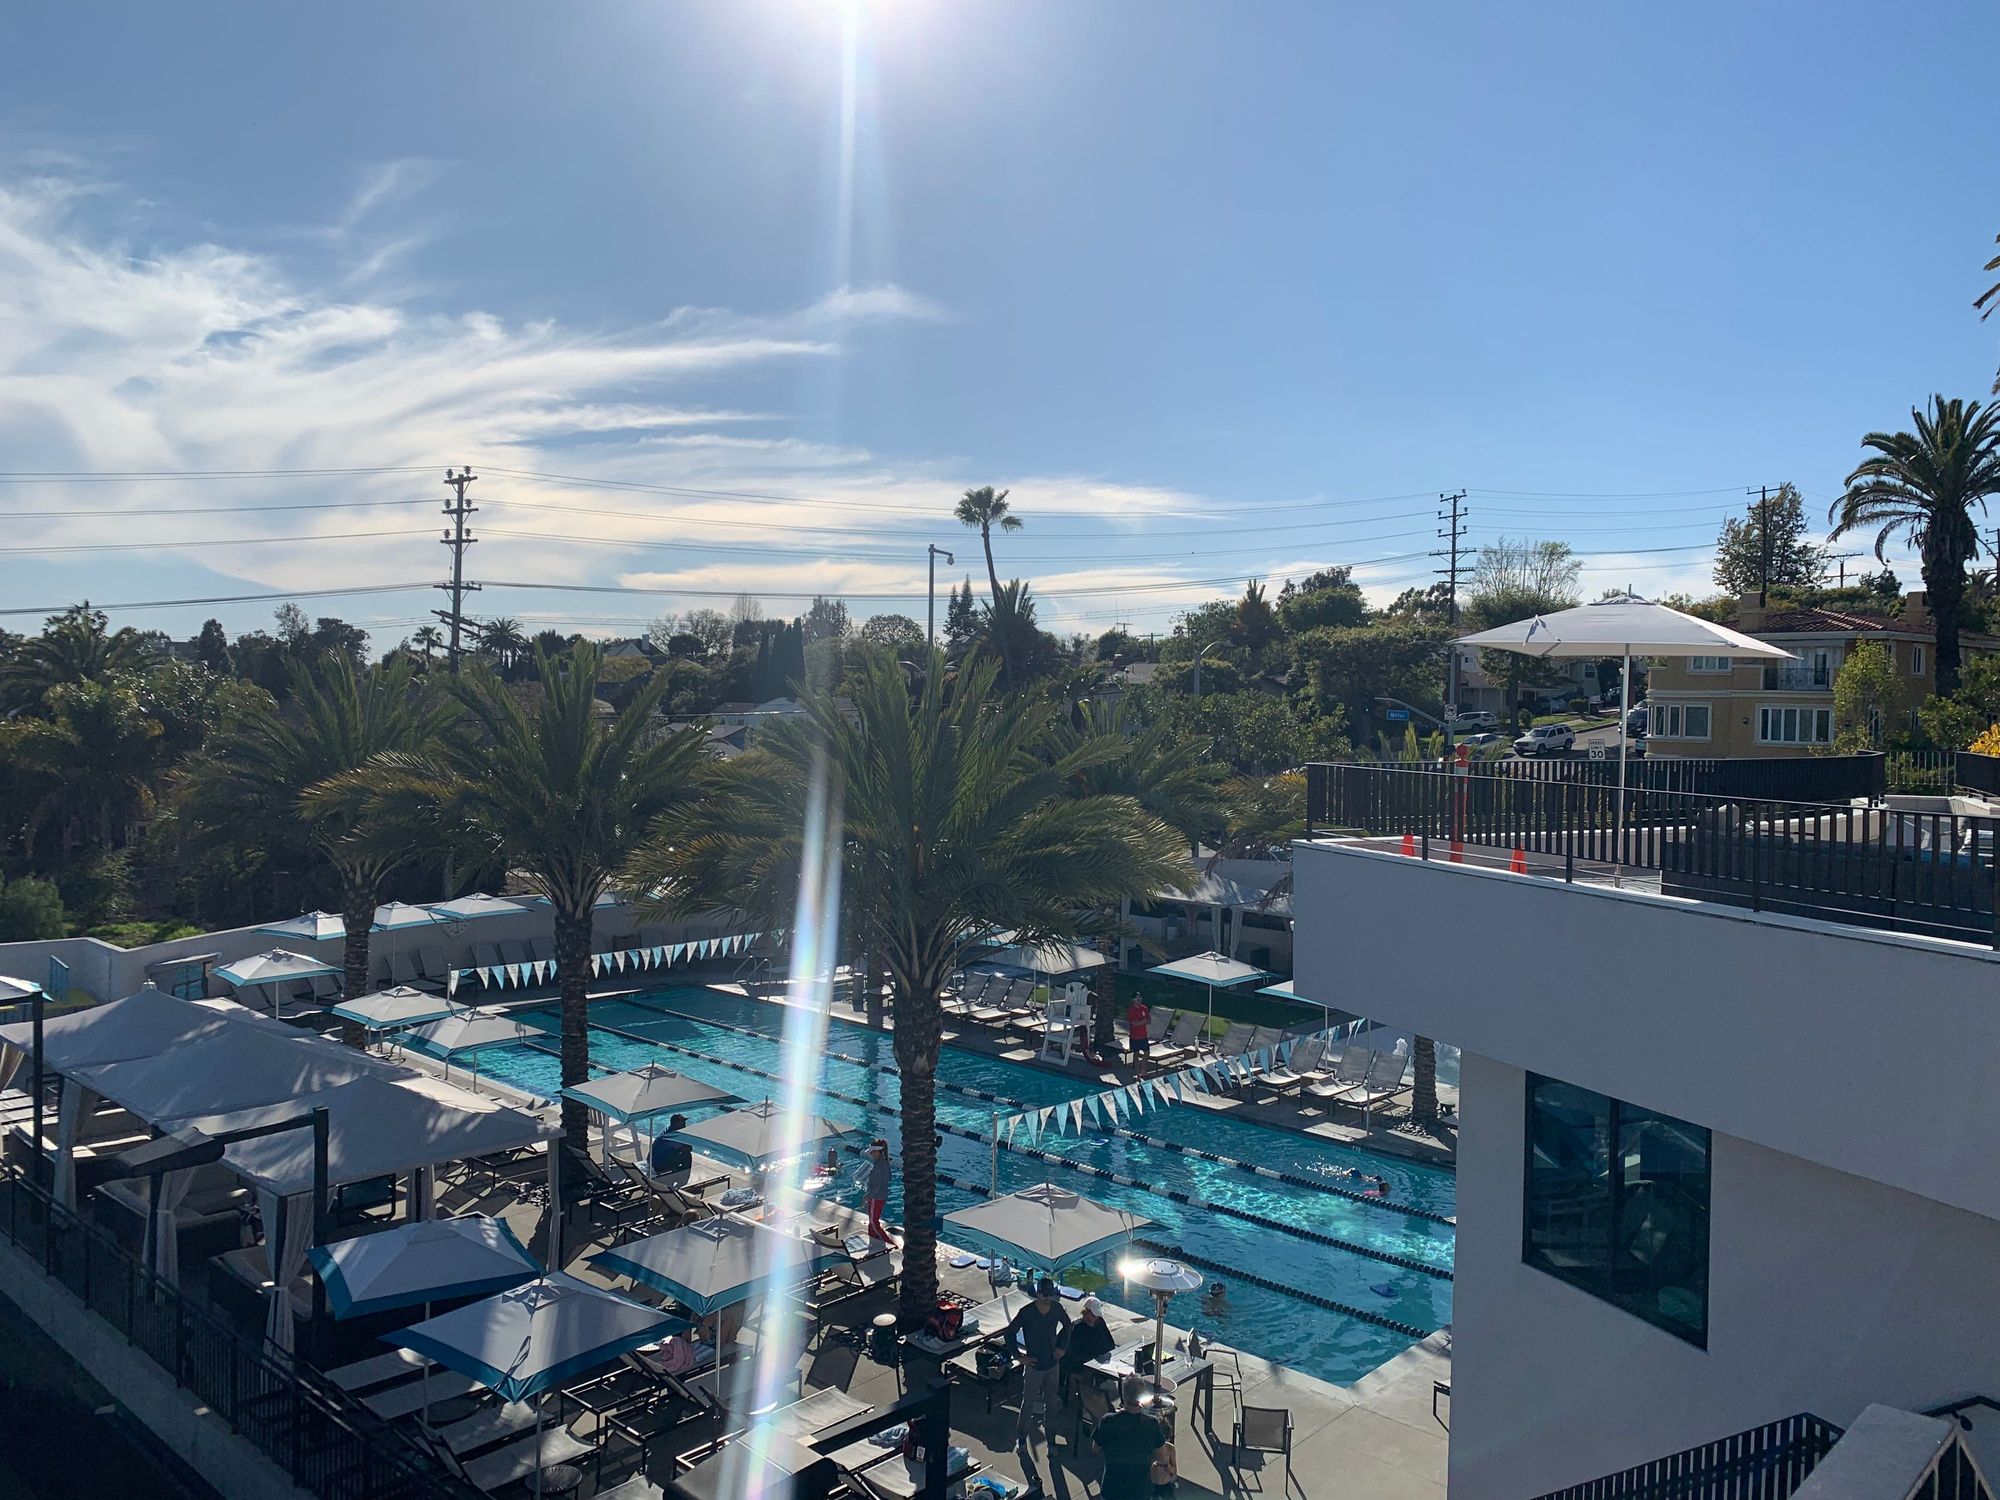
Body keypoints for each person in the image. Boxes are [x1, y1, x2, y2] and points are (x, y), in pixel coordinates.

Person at [1005, 1279, 1073, 1462]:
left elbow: (1068, 1325)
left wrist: (1062, 1348)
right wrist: (1019, 1357)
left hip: (1052, 1365)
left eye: (1050, 1295)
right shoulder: (1026, 1312)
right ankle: (1021, 1440)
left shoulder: (1057, 1309)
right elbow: (1009, 1333)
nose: (1048, 1298)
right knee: (1027, 1404)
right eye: (1045, 1295)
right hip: (1033, 1366)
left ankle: (1051, 1442)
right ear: (1038, 1294)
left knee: (1051, 1405)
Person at [1092, 1375, 1173, 1500]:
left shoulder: (1107, 1421)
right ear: (1142, 1395)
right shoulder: (1151, 1424)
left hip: (1112, 1489)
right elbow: (1161, 1456)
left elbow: (1095, 1448)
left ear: (1123, 1394)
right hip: (1140, 1491)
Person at [1060, 1294, 1117, 1397]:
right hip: (1080, 1364)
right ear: (1086, 1312)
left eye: (1096, 1316)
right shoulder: (1076, 1327)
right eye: (1093, 1315)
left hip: (1097, 1362)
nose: (1095, 1318)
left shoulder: (1099, 1323)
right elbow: (1070, 1352)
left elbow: (1110, 1344)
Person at [864, 1137, 898, 1246]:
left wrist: (867, 1196)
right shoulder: (884, 1162)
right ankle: (872, 1239)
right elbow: (888, 1178)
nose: (871, 1154)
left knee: (874, 1223)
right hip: (880, 1195)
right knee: (871, 1221)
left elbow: (877, 1185)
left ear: (878, 1152)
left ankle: (889, 1244)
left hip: (876, 1197)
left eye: (872, 1152)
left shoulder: (879, 1165)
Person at [1125, 996, 1151, 1070]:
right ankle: (1137, 1072)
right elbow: (1134, 1024)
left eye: (1140, 998)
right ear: (1133, 1000)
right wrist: (1144, 1021)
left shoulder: (1144, 1008)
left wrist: (1140, 1022)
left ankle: (1143, 1070)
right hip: (1135, 1036)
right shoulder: (1131, 1010)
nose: (1139, 1000)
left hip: (1144, 1036)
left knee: (1147, 1052)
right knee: (1136, 1054)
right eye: (1137, 999)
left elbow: (1149, 1021)